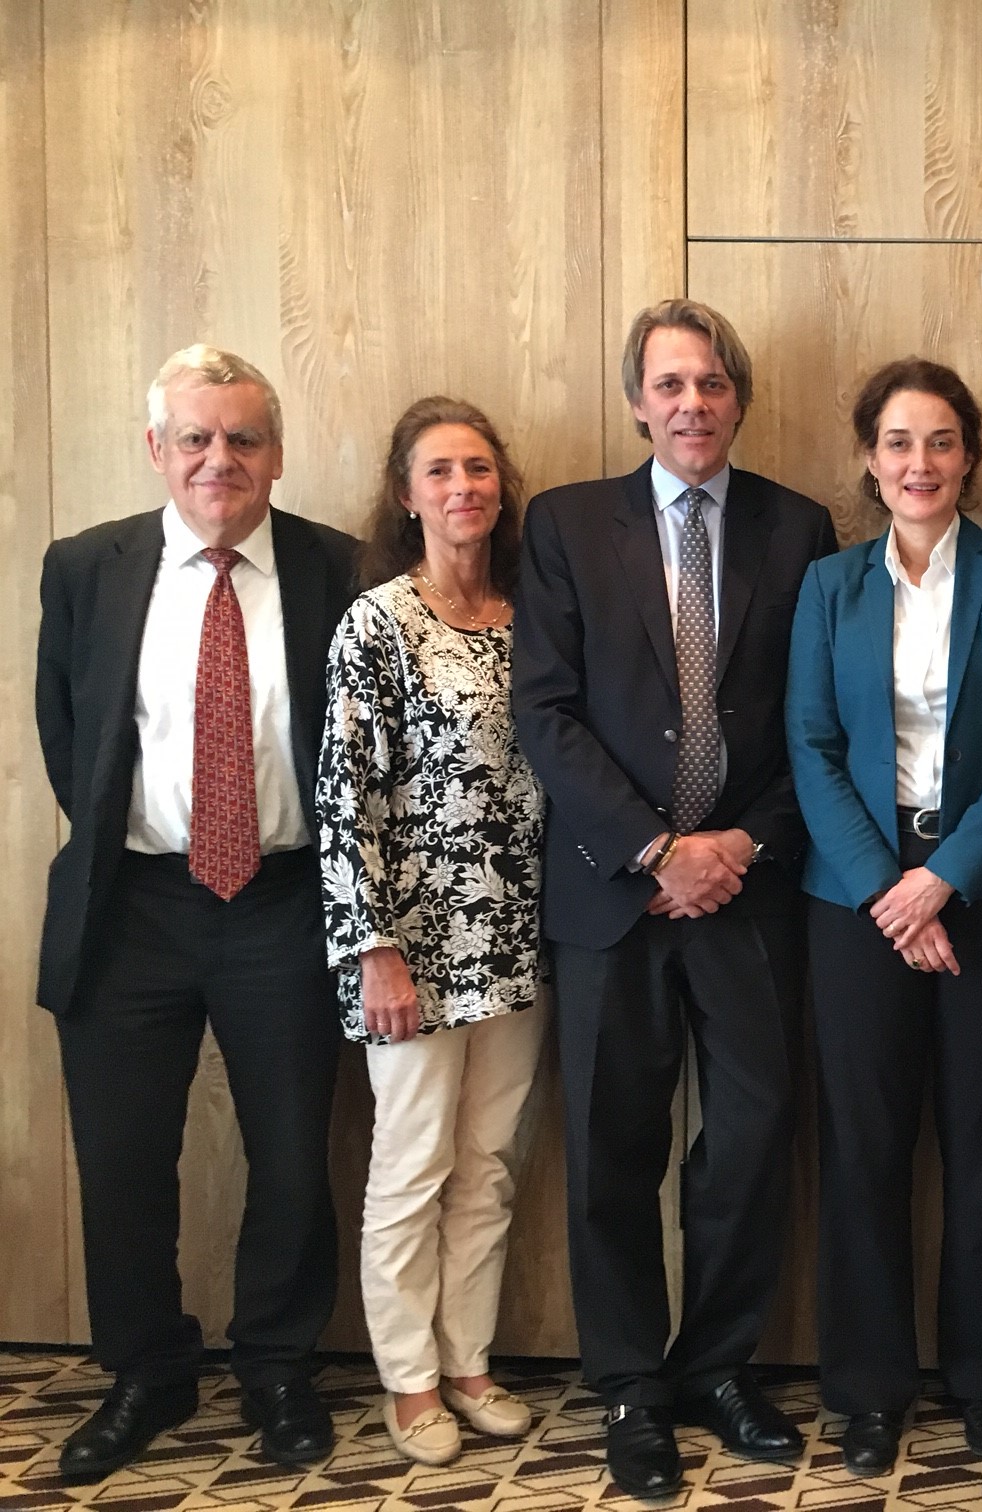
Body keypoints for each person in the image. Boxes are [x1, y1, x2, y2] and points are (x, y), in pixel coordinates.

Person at [511, 299, 837, 1498]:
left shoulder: (797, 527)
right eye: (670, 384)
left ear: (737, 399)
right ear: (638, 401)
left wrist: (739, 846)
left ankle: (715, 1367)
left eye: (711, 382)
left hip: (749, 893)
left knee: (751, 1138)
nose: (692, 403)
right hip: (615, 894)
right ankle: (627, 1390)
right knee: (610, 1148)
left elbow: (820, 719)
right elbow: (543, 711)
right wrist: (657, 850)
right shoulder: (565, 526)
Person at [35, 345, 358, 1482]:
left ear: (277, 453)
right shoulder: (86, 567)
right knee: (123, 1158)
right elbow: (67, 740)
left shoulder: (342, 570)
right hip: (133, 908)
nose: (220, 461)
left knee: (289, 1151)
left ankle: (277, 1363)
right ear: (158, 449)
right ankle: (146, 1372)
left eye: (244, 440)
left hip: (286, 903)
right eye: (196, 439)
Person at [786, 358, 982, 1477]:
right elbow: (808, 744)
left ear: (971, 456)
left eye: (942, 441)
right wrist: (885, 889)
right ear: (870, 457)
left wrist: (941, 879)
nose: (920, 463)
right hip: (854, 896)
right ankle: (867, 1391)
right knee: (863, 1149)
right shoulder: (830, 586)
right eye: (899, 442)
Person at [318, 397, 548, 1466]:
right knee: (411, 1164)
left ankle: (470, 1360)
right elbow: (344, 800)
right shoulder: (379, 622)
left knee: (489, 1163)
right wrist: (372, 948)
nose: (465, 486)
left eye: (480, 469)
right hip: (411, 948)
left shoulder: (534, 613)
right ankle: (408, 1380)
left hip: (520, 940)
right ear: (407, 495)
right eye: (441, 471)